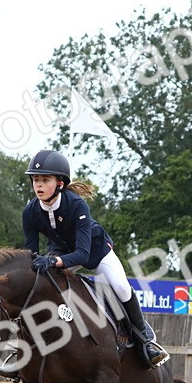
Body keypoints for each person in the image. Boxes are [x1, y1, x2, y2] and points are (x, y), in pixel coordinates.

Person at [22, 149, 168, 368]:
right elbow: (31, 252)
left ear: (60, 183)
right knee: (40, 283)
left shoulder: (77, 205)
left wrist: (52, 262)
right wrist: (37, 263)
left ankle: (144, 339)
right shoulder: (30, 211)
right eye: (35, 180)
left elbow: (82, 255)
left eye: (45, 180)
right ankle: (28, 349)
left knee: (120, 286)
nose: (39, 185)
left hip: (95, 251)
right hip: (60, 252)